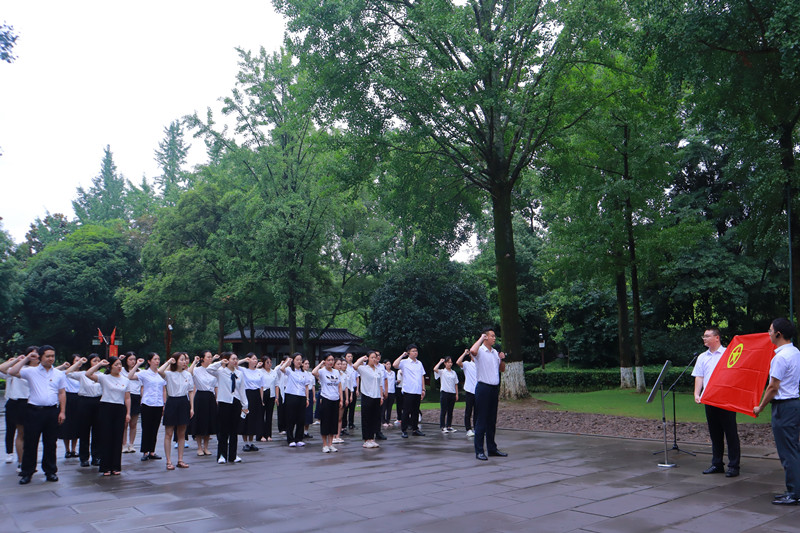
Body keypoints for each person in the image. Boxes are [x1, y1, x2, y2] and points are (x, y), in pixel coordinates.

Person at [754, 318, 800, 505]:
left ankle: (794, 493)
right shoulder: (795, 352)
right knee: (793, 449)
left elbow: (773, 387)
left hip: (784, 407)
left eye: (770, 330)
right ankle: (794, 489)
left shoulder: (780, 357)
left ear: (779, 334)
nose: (769, 333)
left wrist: (760, 407)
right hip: (794, 404)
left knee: (788, 452)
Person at [8, 345, 67, 484]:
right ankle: (27, 472)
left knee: (51, 443)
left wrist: (63, 411)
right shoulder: (31, 371)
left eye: (53, 355)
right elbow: (12, 371)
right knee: (30, 442)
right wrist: (26, 358)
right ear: (40, 357)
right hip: (34, 411)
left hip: (52, 411)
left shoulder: (59, 374)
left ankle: (50, 471)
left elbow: (62, 393)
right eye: (47, 356)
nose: (51, 358)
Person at [692, 327, 740, 477]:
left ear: (717, 338)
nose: (704, 338)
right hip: (709, 399)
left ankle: (734, 465)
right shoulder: (702, 357)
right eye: (703, 336)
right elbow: (699, 376)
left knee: (731, 433)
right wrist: (696, 393)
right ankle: (717, 463)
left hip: (726, 399)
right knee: (715, 433)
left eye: (707, 336)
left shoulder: (728, 354)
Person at [84, 356, 133, 476]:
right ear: (110, 366)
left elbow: (127, 397)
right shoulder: (104, 378)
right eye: (116, 364)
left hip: (119, 408)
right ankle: (105, 467)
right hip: (106, 407)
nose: (119, 367)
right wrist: (99, 364)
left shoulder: (125, 380)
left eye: (120, 364)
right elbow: (88, 374)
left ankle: (116, 466)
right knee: (106, 437)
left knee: (117, 438)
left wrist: (128, 413)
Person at [470, 329, 507, 461]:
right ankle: (479, 450)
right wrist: (480, 338)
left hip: (493, 388)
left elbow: (502, 369)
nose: (494, 338)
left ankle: (492, 448)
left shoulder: (495, 352)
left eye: (494, 336)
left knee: (492, 420)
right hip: (483, 388)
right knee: (481, 420)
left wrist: (502, 359)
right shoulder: (480, 350)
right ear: (485, 337)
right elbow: (472, 351)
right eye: (492, 336)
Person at [207, 352, 248, 464]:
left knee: (234, 430)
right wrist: (220, 362)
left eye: (236, 359)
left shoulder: (239, 373)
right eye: (233, 359)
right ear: (227, 360)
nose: (235, 361)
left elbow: (242, 389)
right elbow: (209, 369)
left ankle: (233, 455)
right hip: (224, 401)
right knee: (223, 430)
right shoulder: (221, 371)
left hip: (236, 402)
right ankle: (222, 455)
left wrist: (245, 405)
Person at [0, 348, 37, 470]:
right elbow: (3, 369)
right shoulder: (19, 369)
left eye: (36, 354)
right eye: (31, 354)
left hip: (33, 403)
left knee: (31, 435)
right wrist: (17, 359)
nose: (34, 357)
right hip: (18, 403)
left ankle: (30, 461)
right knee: (18, 432)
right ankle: (20, 461)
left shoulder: (39, 370)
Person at [65, 353, 103, 467]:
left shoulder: (102, 375)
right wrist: (79, 362)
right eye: (94, 361)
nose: (97, 363)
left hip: (98, 402)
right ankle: (84, 457)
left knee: (97, 431)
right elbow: (68, 373)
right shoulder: (82, 374)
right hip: (84, 402)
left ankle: (96, 456)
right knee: (84, 431)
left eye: (98, 361)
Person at [159, 352, 195, 470]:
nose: (184, 362)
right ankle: (169, 461)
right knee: (169, 433)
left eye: (185, 360)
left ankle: (180, 459)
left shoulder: (187, 375)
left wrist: (192, 407)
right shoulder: (169, 374)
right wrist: (169, 362)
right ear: (175, 361)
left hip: (183, 402)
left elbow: (190, 391)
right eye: (182, 360)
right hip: (172, 402)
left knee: (181, 433)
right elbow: (160, 371)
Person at [131, 352, 165, 462]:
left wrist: (164, 403)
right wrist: (137, 364)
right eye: (155, 359)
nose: (157, 361)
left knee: (155, 428)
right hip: (147, 404)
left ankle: (152, 451)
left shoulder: (161, 374)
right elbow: (130, 376)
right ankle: (145, 451)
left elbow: (163, 389)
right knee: (146, 428)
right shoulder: (144, 373)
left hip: (158, 404)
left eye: (158, 359)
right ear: (149, 361)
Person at [393, 344, 426, 438]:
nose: (415, 352)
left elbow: (422, 376)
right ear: (408, 353)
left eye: (416, 351)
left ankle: (415, 429)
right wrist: (402, 356)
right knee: (406, 411)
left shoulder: (419, 363)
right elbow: (395, 365)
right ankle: (404, 430)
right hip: (408, 390)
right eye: (413, 351)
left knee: (415, 411)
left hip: (417, 390)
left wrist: (423, 389)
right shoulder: (404, 362)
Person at [354, 351, 386, 448]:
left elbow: (380, 384)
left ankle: (372, 438)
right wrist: (362, 358)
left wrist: (381, 396)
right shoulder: (363, 369)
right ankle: (366, 439)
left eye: (375, 357)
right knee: (366, 418)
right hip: (367, 395)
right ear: (368, 358)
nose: (374, 359)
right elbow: (354, 366)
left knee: (375, 418)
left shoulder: (378, 370)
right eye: (372, 357)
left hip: (376, 396)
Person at [190, 350, 218, 456]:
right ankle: (199, 447)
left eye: (211, 357)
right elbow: (189, 373)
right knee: (199, 422)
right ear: (202, 358)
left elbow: (216, 386)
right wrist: (194, 361)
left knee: (208, 422)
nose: (210, 359)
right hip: (200, 396)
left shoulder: (214, 371)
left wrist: (216, 398)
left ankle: (206, 447)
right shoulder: (197, 370)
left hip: (210, 397)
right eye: (208, 357)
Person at [312, 355, 343, 453]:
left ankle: (331, 444)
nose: (330, 362)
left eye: (332, 360)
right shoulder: (322, 371)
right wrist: (321, 364)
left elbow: (339, 386)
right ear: (325, 361)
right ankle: (324, 445)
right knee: (325, 422)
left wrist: (341, 399)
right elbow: (313, 372)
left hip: (335, 399)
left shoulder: (336, 372)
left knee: (333, 422)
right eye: (328, 360)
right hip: (326, 399)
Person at [279, 353, 310, 447]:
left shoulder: (304, 373)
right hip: (291, 395)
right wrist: (288, 361)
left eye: (300, 360)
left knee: (301, 418)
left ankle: (299, 438)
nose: (299, 361)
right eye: (297, 359)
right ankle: (290, 439)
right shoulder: (289, 370)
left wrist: (307, 398)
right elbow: (281, 368)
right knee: (290, 418)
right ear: (293, 361)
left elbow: (306, 386)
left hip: (301, 396)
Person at [239, 354, 264, 452]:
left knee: (254, 419)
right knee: (246, 419)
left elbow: (261, 386)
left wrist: (261, 400)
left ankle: (251, 442)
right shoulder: (244, 370)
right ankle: (245, 443)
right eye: (253, 359)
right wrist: (244, 360)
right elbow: (235, 365)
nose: (255, 361)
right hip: (247, 394)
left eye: (256, 359)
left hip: (256, 395)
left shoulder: (259, 372)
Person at [58, 354, 80, 459]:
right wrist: (64, 366)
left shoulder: (82, 374)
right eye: (76, 361)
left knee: (76, 424)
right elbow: (57, 371)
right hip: (67, 398)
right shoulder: (65, 373)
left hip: (78, 398)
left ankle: (74, 449)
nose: (79, 362)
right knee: (66, 425)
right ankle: (67, 450)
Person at [121, 352, 142, 454]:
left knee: (133, 423)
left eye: (134, 359)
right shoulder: (122, 371)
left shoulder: (140, 372)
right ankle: (124, 444)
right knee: (124, 423)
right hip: (125, 397)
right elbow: (128, 377)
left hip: (136, 397)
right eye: (130, 359)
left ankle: (131, 444)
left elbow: (142, 386)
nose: (133, 361)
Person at [434, 356, 459, 433]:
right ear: (445, 363)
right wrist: (440, 362)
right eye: (448, 362)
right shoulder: (442, 371)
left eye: (451, 362)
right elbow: (435, 369)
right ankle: (442, 426)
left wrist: (456, 394)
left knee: (450, 411)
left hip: (452, 393)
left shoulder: (453, 372)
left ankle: (449, 426)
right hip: (444, 392)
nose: (450, 364)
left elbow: (456, 384)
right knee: (444, 410)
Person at [456, 348, 477, 437]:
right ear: (470, 356)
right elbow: (458, 362)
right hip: (469, 390)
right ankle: (468, 429)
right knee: (468, 411)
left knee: (478, 412)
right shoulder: (467, 364)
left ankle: (477, 428)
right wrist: (464, 353)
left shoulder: (480, 365)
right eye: (472, 355)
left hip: (478, 391)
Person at [258, 356, 278, 442]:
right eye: (267, 362)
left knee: (269, 415)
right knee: (261, 415)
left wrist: (277, 397)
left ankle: (268, 434)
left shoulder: (274, 372)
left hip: (271, 394)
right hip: (263, 393)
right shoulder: (259, 371)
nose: (269, 364)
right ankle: (261, 435)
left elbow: (276, 385)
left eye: (270, 362)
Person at [333, 358, 349, 445]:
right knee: (333, 417)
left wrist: (346, 398)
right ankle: (332, 435)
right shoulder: (332, 374)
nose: (340, 366)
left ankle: (338, 436)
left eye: (340, 364)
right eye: (338, 364)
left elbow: (345, 387)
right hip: (334, 394)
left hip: (342, 394)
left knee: (340, 418)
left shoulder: (343, 375)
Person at [344, 352, 358, 433]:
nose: (350, 358)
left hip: (354, 387)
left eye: (351, 356)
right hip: (347, 388)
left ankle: (351, 423)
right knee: (346, 407)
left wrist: (357, 389)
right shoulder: (344, 367)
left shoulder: (354, 366)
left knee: (352, 407)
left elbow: (357, 378)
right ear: (345, 357)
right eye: (348, 356)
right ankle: (344, 424)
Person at [381, 360, 396, 428]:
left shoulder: (393, 373)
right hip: (385, 391)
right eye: (387, 364)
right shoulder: (384, 372)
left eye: (389, 364)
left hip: (392, 391)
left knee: (389, 407)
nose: (388, 365)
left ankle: (388, 420)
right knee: (384, 407)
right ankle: (383, 421)